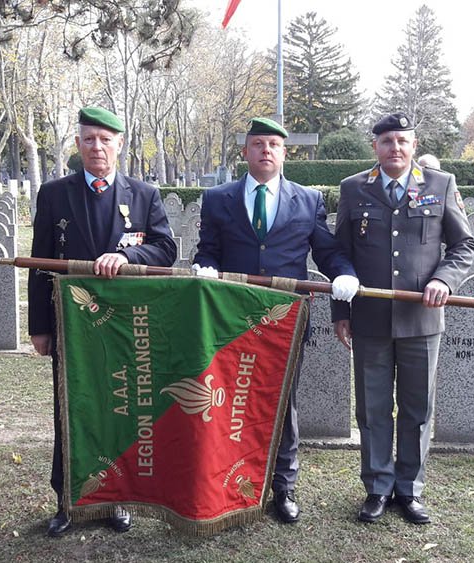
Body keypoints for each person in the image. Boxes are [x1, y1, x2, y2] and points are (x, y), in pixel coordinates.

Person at [192, 117, 359, 524]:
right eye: (258, 144)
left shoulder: (307, 200)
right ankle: (229, 483)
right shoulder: (218, 198)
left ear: (284, 153)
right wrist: (204, 265)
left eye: (273, 144)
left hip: (285, 321)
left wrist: (343, 273)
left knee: (283, 403)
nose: (266, 150)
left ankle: (283, 487)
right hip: (231, 318)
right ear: (245, 151)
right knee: (230, 403)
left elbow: (326, 250)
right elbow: (208, 249)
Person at [28, 106, 177, 537]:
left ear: (119, 144)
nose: (97, 147)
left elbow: (166, 249)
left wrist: (127, 256)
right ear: (78, 144)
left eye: (105, 140)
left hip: (124, 327)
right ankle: (68, 501)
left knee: (120, 409)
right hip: (70, 324)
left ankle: (115, 498)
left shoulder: (144, 195)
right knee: (70, 410)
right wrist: (40, 326)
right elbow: (39, 262)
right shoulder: (54, 194)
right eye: (89, 139)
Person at [332, 113, 474, 525]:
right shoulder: (353, 188)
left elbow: (463, 245)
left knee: (417, 409)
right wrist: (341, 309)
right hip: (370, 318)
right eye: (387, 141)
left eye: (402, 140)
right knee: (372, 409)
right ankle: (378, 487)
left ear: (414, 145)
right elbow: (340, 252)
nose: (394, 147)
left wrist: (444, 280)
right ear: (375, 147)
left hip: (421, 320)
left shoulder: (440, 184)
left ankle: (409, 489)